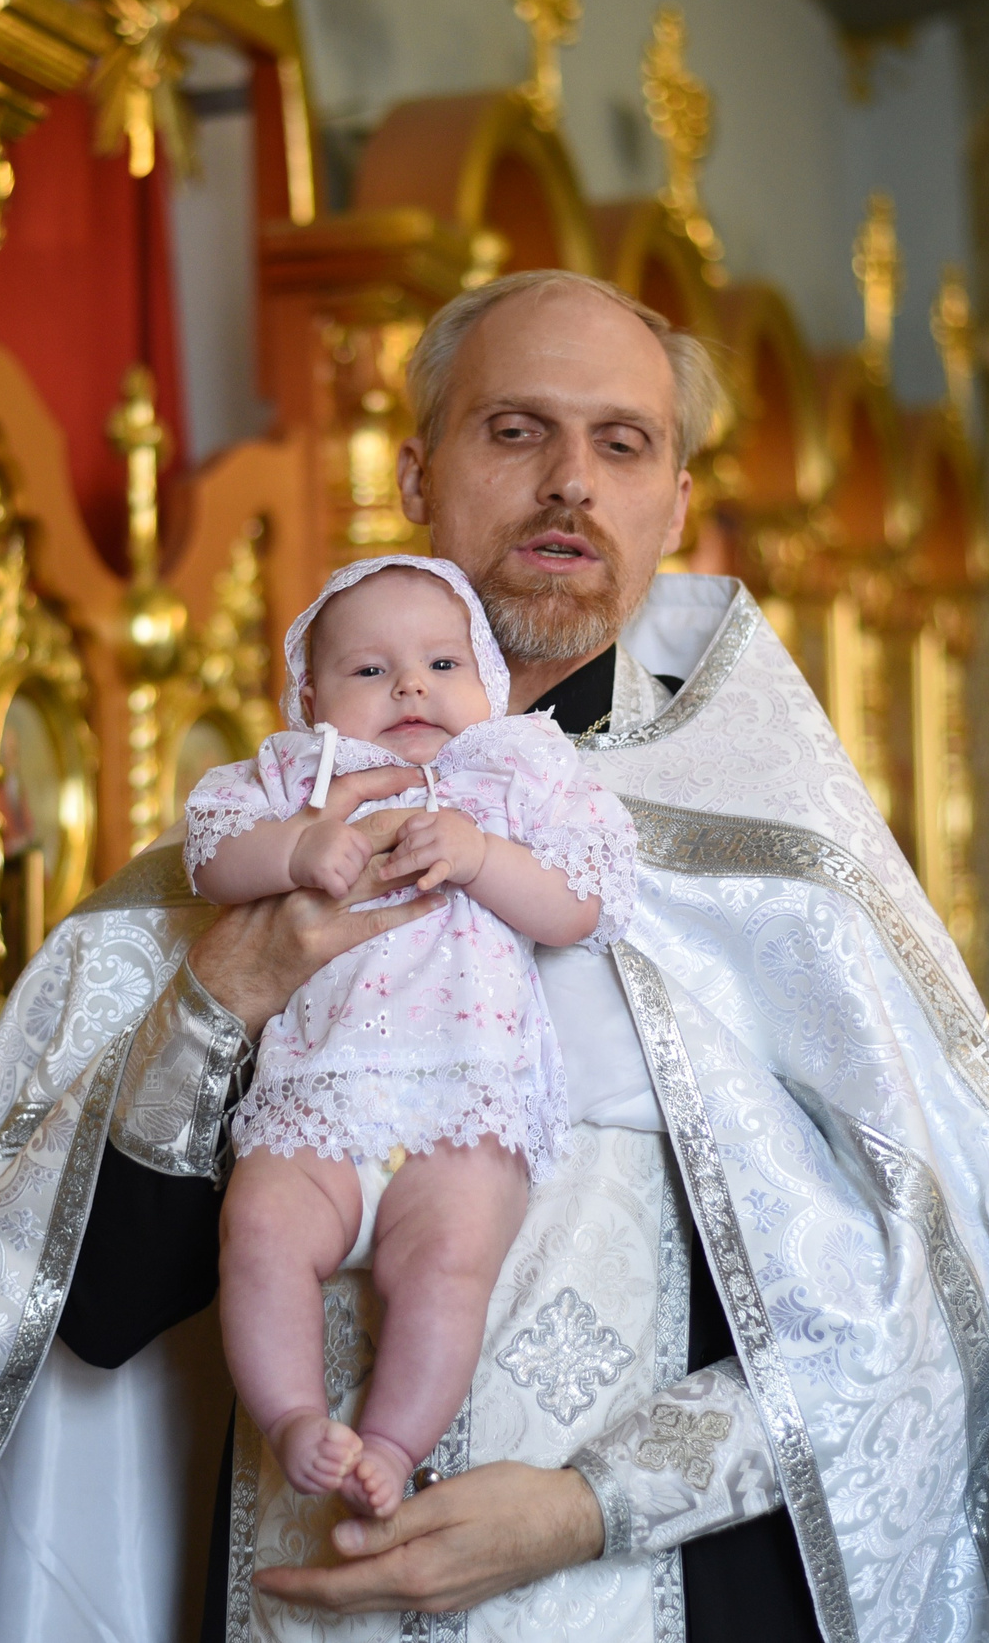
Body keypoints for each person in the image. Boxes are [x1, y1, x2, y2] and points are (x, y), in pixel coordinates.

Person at [0, 270, 989, 1643]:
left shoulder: (775, 876)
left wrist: (580, 1507)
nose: (571, 482)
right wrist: (221, 999)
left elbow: (909, 1316)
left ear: (676, 504)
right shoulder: (261, 851)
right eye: (516, 432)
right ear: (418, 471)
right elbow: (87, 1319)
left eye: (623, 444)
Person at [189, 554, 636, 1519]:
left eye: (443, 664)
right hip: (321, 1099)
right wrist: (296, 848)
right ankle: (296, 1415)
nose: (410, 688)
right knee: (260, 1228)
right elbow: (213, 856)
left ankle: (391, 1442)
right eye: (369, 671)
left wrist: (481, 856)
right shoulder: (298, 776)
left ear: (490, 680)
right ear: (310, 694)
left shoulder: (515, 772)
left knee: (449, 1261)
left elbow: (582, 905)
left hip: (462, 1104)